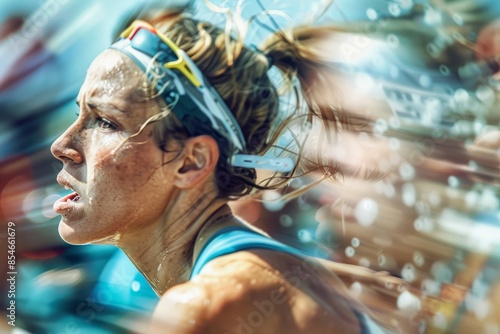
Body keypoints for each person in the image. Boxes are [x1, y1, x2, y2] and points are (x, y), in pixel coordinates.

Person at [49, 5, 423, 333]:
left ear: (191, 162)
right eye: (78, 113)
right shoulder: (282, 275)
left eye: (105, 122)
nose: (62, 146)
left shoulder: (202, 307)